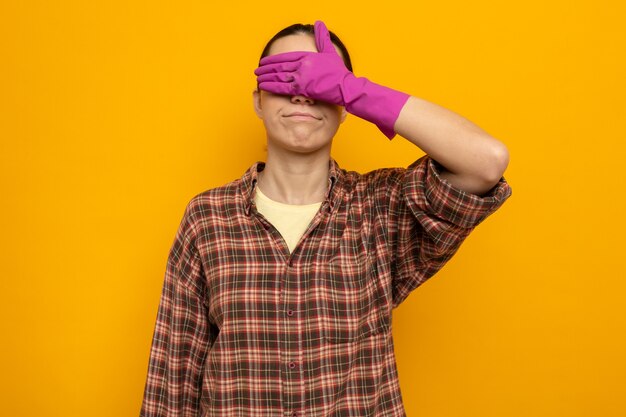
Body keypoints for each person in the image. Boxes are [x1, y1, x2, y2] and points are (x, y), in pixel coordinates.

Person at [140, 20, 512, 417]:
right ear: (258, 100)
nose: (303, 94)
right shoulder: (207, 218)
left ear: (344, 107)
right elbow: (173, 375)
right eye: (286, 79)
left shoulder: (379, 208)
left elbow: (485, 162)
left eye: (320, 82)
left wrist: (356, 89)